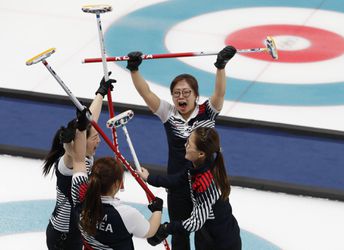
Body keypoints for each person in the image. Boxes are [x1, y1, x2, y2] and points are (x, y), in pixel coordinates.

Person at [126, 45, 236, 249]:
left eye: (186, 92)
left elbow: (219, 94)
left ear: (196, 95)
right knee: (180, 236)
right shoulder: (168, 114)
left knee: (205, 233)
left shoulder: (207, 112)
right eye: (176, 93)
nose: (181, 97)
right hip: (177, 186)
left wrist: (221, 66)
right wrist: (134, 70)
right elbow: (146, 93)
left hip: (204, 186)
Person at [69, 110, 163, 249]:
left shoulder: (80, 196)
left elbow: (78, 160)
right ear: (117, 184)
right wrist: (157, 210)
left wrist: (80, 128)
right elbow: (149, 231)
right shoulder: (125, 214)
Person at [42, 73, 116, 250]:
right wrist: (68, 142)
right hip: (63, 236)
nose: (99, 141)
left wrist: (101, 92)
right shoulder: (68, 162)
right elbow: (70, 155)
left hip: (76, 231)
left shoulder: (85, 155)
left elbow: (93, 119)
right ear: (80, 141)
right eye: (95, 138)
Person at [138, 127, 242, 250]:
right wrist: (150, 178)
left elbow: (195, 223)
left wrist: (166, 228)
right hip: (206, 234)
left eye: (189, 144)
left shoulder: (206, 184)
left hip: (221, 242)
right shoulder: (196, 165)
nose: (185, 145)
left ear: (201, 154)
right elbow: (177, 180)